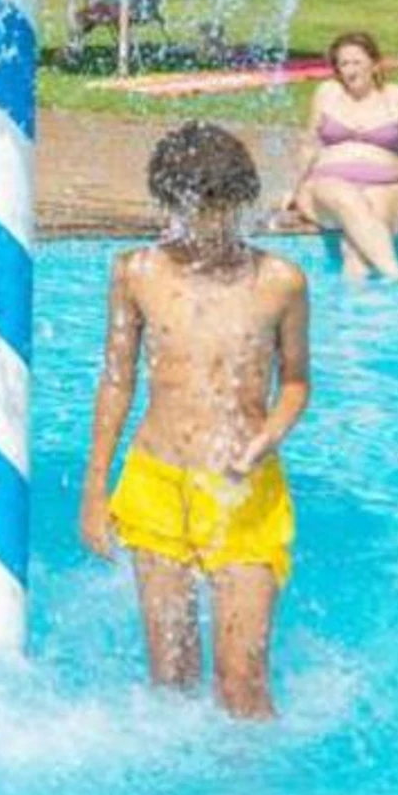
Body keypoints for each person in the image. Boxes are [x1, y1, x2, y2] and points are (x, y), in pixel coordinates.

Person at [80, 122, 310, 721]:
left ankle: (256, 778)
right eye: (193, 211)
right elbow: (116, 380)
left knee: (242, 684)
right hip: (156, 483)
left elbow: (296, 382)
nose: (208, 226)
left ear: (242, 201)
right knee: (171, 676)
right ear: (169, 203)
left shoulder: (279, 282)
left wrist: (270, 434)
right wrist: (95, 488)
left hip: (242, 489)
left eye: (221, 211)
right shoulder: (136, 272)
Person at [278, 31, 398, 280]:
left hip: (386, 186)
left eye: (357, 62)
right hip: (328, 185)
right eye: (343, 64)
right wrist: (293, 187)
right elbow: (309, 145)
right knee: (345, 197)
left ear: (375, 64)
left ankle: (362, 302)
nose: (350, 71)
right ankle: (397, 276)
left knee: (357, 253)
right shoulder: (327, 93)